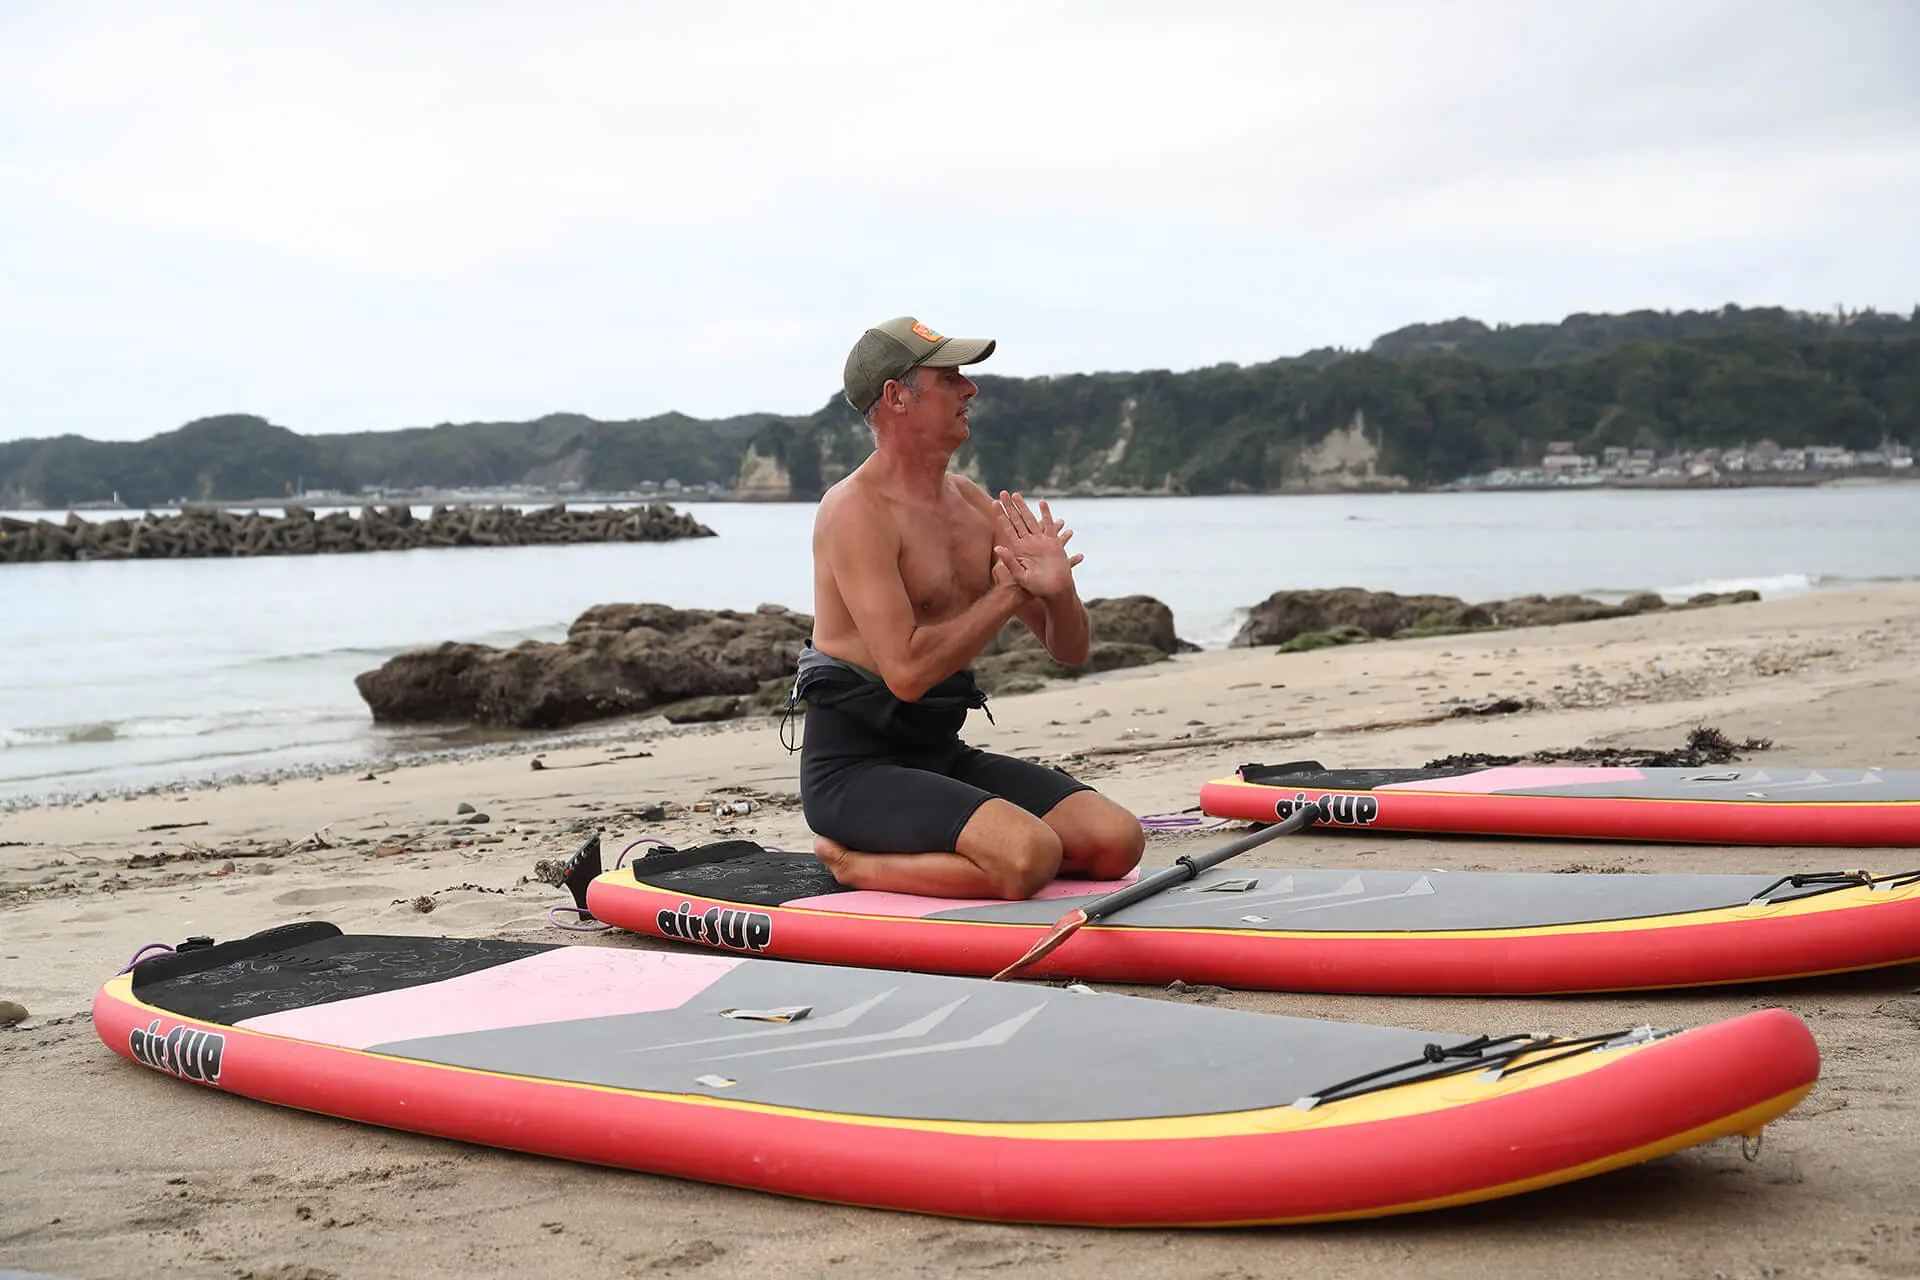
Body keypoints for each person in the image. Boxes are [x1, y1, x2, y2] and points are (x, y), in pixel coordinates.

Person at [791, 315, 1146, 900]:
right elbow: (906, 674)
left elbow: (1070, 650)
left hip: (940, 755)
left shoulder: (972, 504)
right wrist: (1008, 594)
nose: (970, 389)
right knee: (1029, 855)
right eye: (950, 378)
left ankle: (971, 847)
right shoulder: (855, 510)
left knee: (1116, 842)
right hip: (856, 772)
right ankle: (852, 862)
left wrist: (1058, 590)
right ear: (896, 396)